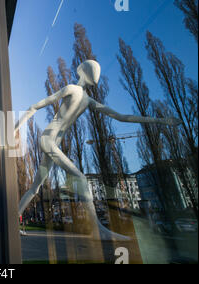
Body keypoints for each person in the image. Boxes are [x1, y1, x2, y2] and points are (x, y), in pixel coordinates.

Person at [15, 60, 182, 240]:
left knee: (35, 187)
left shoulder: (87, 99)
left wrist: (160, 121)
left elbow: (122, 117)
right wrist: (15, 129)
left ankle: (12, 221)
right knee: (79, 177)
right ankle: (97, 230)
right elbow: (35, 106)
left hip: (51, 141)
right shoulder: (74, 90)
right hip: (48, 140)